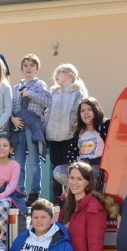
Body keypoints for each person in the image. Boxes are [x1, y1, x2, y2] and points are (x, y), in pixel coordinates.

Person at [10, 54, 52, 207]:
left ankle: (35, 191)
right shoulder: (15, 88)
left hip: (32, 126)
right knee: (19, 162)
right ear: (21, 69)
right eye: (26, 65)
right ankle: (20, 190)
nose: (28, 68)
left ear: (37, 69)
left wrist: (31, 94)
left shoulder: (39, 85)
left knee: (34, 162)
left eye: (32, 65)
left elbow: (49, 101)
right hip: (19, 126)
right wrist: (13, 119)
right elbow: (12, 107)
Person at [45, 64, 87, 203]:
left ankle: (70, 197)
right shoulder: (53, 92)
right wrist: (45, 127)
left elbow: (76, 111)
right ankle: (57, 198)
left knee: (68, 166)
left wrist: (71, 128)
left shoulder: (77, 92)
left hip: (69, 136)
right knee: (55, 166)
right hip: (53, 135)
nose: (55, 76)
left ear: (69, 74)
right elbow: (47, 111)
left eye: (59, 72)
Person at [53, 97, 107, 190]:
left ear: (96, 110)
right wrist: (74, 171)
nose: (86, 113)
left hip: (99, 169)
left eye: (90, 109)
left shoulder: (104, 127)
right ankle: (80, 190)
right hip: (82, 168)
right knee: (58, 171)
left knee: (89, 175)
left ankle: (86, 190)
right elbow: (71, 155)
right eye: (82, 111)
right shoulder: (78, 133)